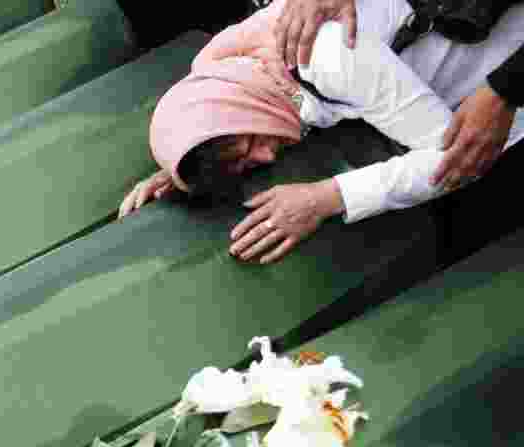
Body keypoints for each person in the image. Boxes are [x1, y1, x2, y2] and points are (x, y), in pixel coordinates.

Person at [118, 0, 524, 264]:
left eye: (248, 145)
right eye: (245, 164)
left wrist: (328, 197)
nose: (265, 159)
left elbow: (459, 160)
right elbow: (296, 110)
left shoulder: (324, 55)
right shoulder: (256, 68)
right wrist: (184, 169)